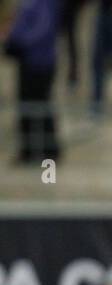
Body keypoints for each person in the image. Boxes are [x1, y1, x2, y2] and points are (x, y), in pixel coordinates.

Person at [3, 0, 61, 163]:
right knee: (26, 104)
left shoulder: (45, 4)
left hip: (40, 62)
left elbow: (42, 29)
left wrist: (17, 40)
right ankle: (28, 150)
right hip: (27, 60)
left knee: (40, 104)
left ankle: (49, 149)